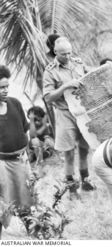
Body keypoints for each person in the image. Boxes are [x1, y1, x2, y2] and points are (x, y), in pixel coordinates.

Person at [43, 37, 95, 192]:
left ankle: (85, 182)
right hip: (64, 113)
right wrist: (65, 86)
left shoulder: (77, 63)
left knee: (84, 150)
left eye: (69, 53)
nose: (67, 56)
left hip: (82, 111)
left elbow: (90, 75)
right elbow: (48, 97)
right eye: (63, 54)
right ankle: (71, 187)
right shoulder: (50, 71)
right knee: (69, 153)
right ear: (55, 52)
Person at [0, 65, 33, 238]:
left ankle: (31, 232)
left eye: (6, 86)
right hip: (2, 164)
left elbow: (25, 129)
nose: (5, 90)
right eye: (1, 87)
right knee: (4, 201)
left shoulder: (15, 103)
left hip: (21, 160)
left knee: (26, 197)